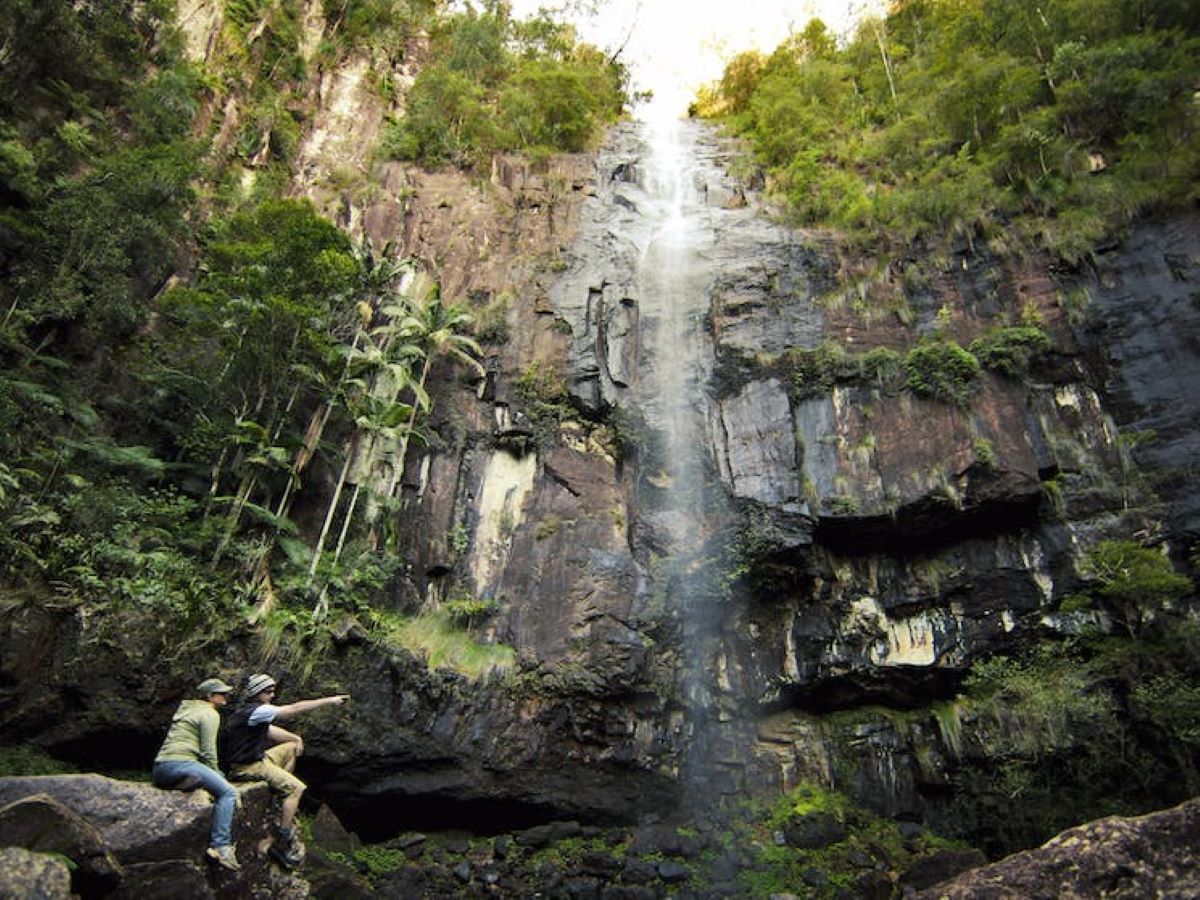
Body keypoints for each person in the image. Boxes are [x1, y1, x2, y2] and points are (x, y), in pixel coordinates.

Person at [221, 673, 349, 868]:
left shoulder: (249, 712)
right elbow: (293, 709)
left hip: (260, 759)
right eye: (268, 692)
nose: (272, 695)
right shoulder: (255, 711)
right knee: (296, 788)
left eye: (273, 691)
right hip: (248, 766)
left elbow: (271, 731)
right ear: (257, 693)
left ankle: (280, 789)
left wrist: (296, 738)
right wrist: (329, 700)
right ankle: (282, 842)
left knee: (290, 747)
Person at [151, 677, 242, 871]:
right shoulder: (209, 713)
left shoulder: (187, 709)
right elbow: (208, 751)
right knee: (228, 793)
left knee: (201, 778)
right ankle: (221, 846)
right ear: (210, 696)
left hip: (161, 768)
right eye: (221, 693)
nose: (226, 696)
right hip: (182, 763)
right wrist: (219, 775)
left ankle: (187, 782)